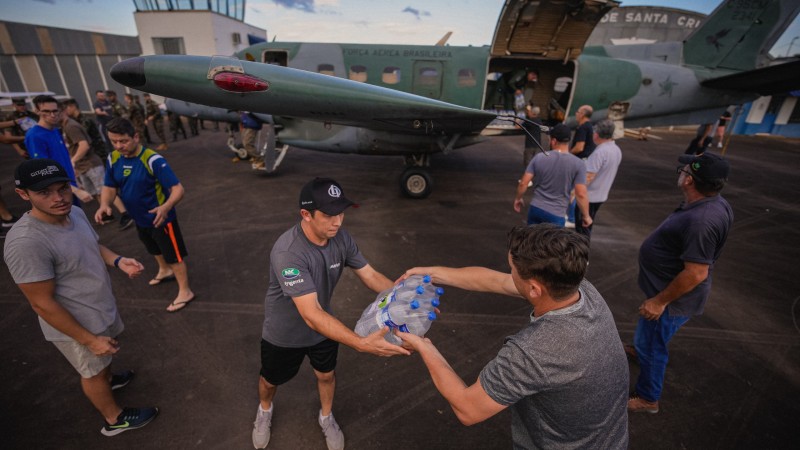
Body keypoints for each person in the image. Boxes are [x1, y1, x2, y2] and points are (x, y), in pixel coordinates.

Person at [398, 224, 629, 449]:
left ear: (534, 290)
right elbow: (497, 281)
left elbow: (468, 409)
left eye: (512, 269)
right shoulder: (579, 287)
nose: (509, 273)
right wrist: (432, 274)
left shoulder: (534, 351)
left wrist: (425, 347)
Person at [252, 177, 410, 450]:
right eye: (328, 215)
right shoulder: (288, 252)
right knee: (270, 380)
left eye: (340, 212)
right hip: (284, 335)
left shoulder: (341, 238)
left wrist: (404, 298)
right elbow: (310, 314)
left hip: (324, 329)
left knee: (326, 375)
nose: (337, 221)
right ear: (306, 214)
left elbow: (370, 275)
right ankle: (264, 410)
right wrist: (360, 343)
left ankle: (326, 417)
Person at [4, 158, 159, 436]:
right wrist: (89, 340)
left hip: (98, 308)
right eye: (44, 193)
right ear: (23, 195)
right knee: (92, 372)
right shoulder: (26, 242)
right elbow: (41, 303)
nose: (58, 198)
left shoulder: (73, 212)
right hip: (77, 326)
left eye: (62, 188)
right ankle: (115, 420)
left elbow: (92, 245)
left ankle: (108, 377)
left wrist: (118, 260)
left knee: (103, 364)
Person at [627, 153, 733, 414]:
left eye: (683, 170)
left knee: (654, 347)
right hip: (665, 290)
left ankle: (648, 398)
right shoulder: (709, 204)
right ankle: (641, 350)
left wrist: (660, 301)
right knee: (647, 339)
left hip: (672, 300)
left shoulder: (702, 220)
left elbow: (697, 273)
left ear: (689, 180)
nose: (680, 172)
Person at [94, 118, 194, 312]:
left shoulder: (152, 159)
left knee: (174, 256)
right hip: (140, 218)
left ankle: (185, 291)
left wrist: (166, 207)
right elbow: (109, 185)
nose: (118, 146)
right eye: (114, 141)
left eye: (123, 141)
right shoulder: (113, 158)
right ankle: (164, 271)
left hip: (162, 219)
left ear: (136, 137)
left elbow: (178, 189)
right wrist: (104, 204)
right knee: (153, 248)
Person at [514, 124, 591, 229]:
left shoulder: (539, 158)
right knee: (552, 244)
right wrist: (586, 216)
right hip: (556, 213)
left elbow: (524, 183)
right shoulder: (578, 164)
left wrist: (518, 198)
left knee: (532, 241)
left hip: (536, 208)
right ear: (568, 141)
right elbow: (581, 193)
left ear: (554, 141)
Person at [24, 95, 92, 205]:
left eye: (55, 111)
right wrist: (76, 190)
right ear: (37, 111)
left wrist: (75, 181)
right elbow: (45, 171)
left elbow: (62, 158)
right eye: (46, 111)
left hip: (68, 186)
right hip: (57, 194)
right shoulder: (34, 136)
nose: (52, 115)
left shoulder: (55, 131)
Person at [574, 119, 622, 239]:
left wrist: (573, 193)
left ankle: (582, 256)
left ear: (596, 134)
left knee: (582, 229)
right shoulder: (616, 150)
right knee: (586, 228)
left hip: (589, 198)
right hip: (601, 195)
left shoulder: (600, 152)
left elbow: (587, 178)